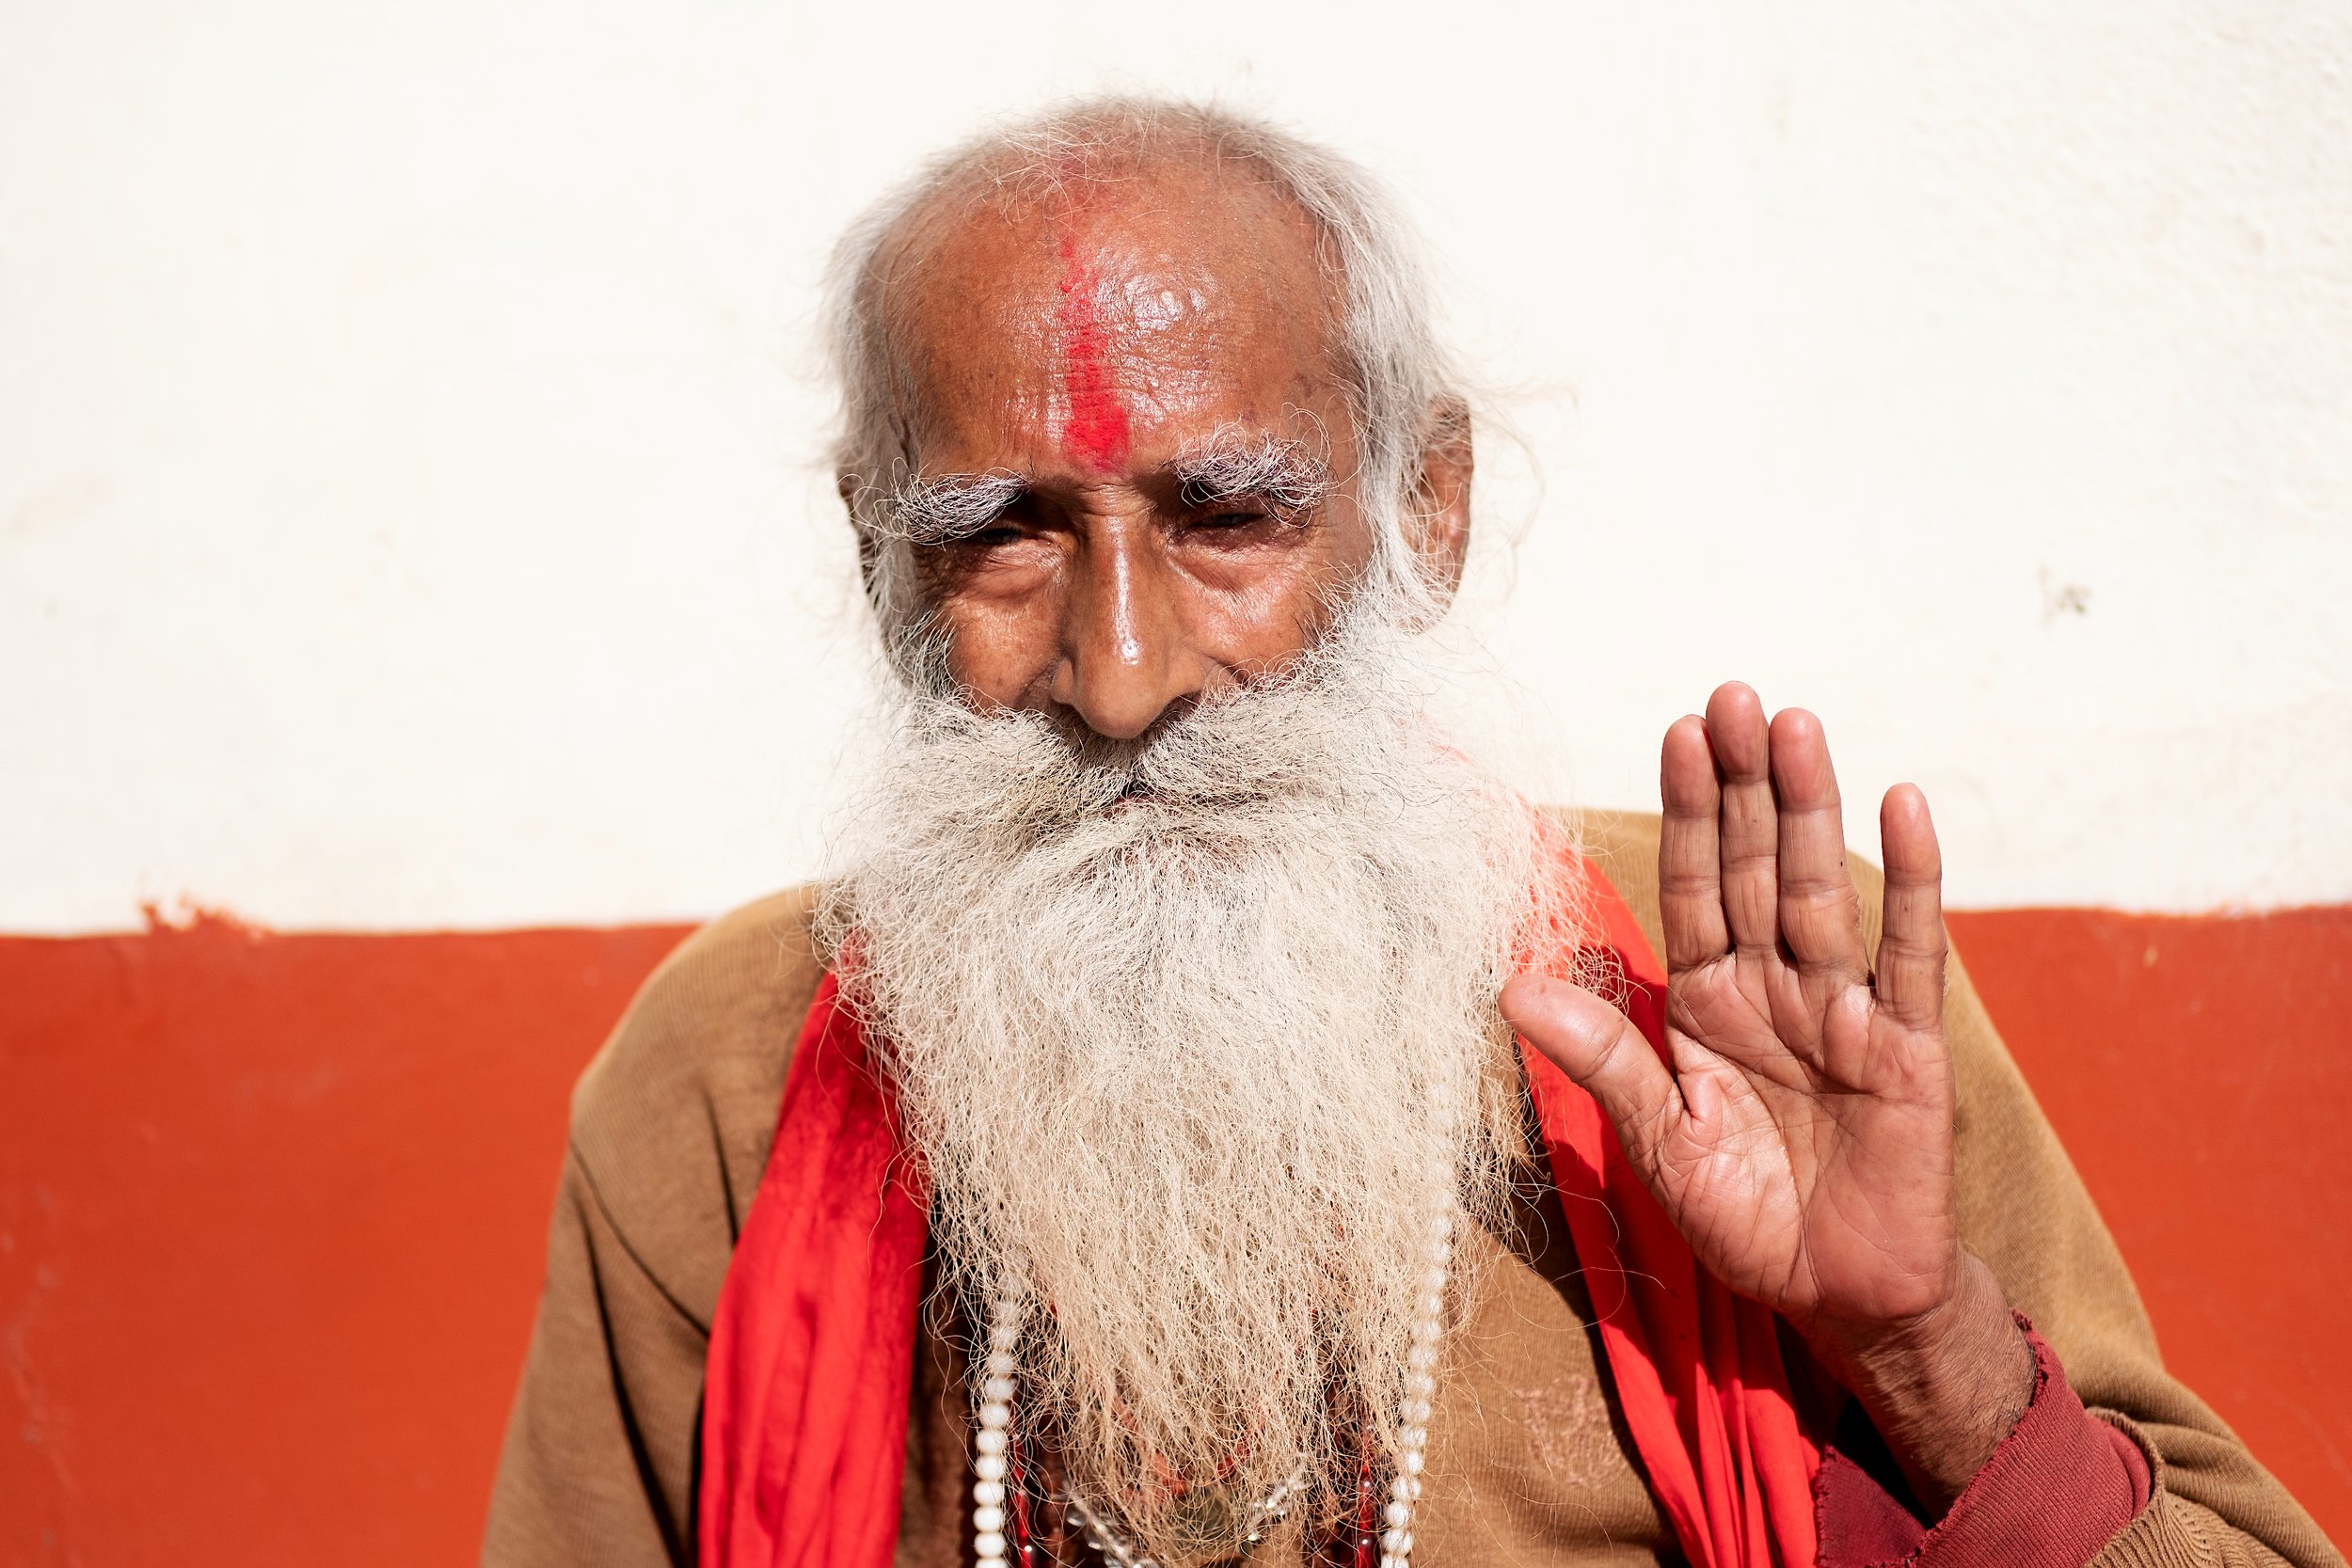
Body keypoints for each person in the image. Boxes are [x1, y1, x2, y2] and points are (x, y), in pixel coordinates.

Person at [481, 99, 2340, 1568]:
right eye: (1001, 533)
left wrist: (1918, 1347)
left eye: (1225, 515)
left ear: (1422, 509)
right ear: (881, 564)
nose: (1119, 678)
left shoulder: (1745, 1005)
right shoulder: (722, 1082)